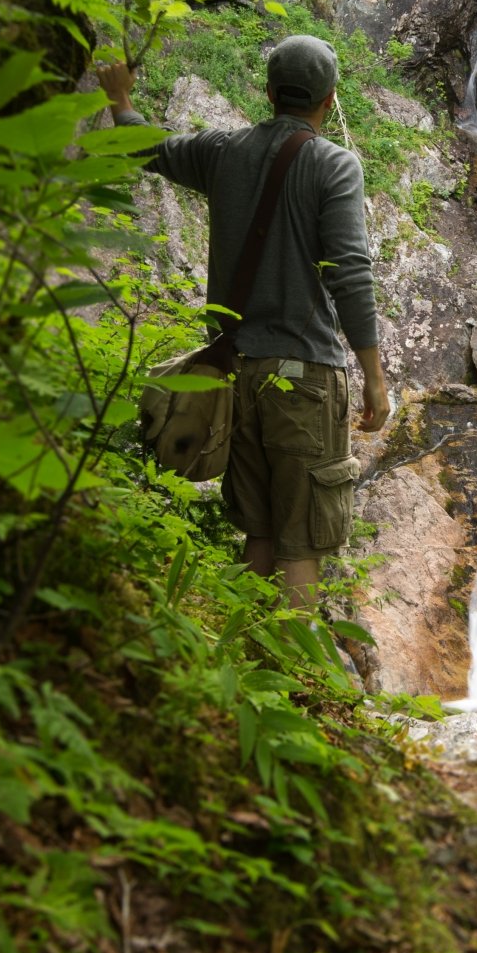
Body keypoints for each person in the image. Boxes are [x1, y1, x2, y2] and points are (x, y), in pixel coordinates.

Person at [97, 36, 390, 608]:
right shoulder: (334, 165)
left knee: (258, 532)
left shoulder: (223, 152)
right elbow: (350, 275)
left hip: (236, 373)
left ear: (268, 92)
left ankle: (258, 668)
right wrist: (374, 376)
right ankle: (301, 689)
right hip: (304, 378)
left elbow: (147, 146)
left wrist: (120, 97)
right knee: (300, 541)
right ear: (330, 99)